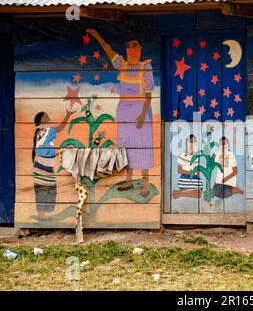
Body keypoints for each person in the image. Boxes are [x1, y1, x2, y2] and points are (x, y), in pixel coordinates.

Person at [86, 28, 155, 197]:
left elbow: (149, 96)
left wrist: (142, 115)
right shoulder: (122, 65)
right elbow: (109, 52)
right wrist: (96, 35)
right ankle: (129, 180)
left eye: (134, 45)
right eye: (128, 46)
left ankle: (145, 182)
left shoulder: (145, 67)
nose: (131, 48)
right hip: (124, 110)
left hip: (140, 109)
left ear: (140, 48)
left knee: (142, 145)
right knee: (126, 146)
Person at [32, 110, 74, 219]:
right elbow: (61, 128)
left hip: (41, 163)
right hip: (43, 163)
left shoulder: (39, 131)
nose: (48, 118)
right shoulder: (47, 130)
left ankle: (43, 214)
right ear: (42, 120)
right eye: (46, 117)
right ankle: (42, 214)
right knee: (46, 187)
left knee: (44, 187)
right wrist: (68, 116)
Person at [172, 134, 203, 199]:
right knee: (197, 193)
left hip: (194, 178)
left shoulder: (196, 156)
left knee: (199, 193)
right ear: (187, 143)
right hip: (185, 178)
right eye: (190, 141)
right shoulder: (183, 155)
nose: (192, 144)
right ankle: (186, 192)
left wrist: (194, 172)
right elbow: (179, 170)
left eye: (194, 142)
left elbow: (197, 172)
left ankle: (180, 193)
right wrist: (190, 172)